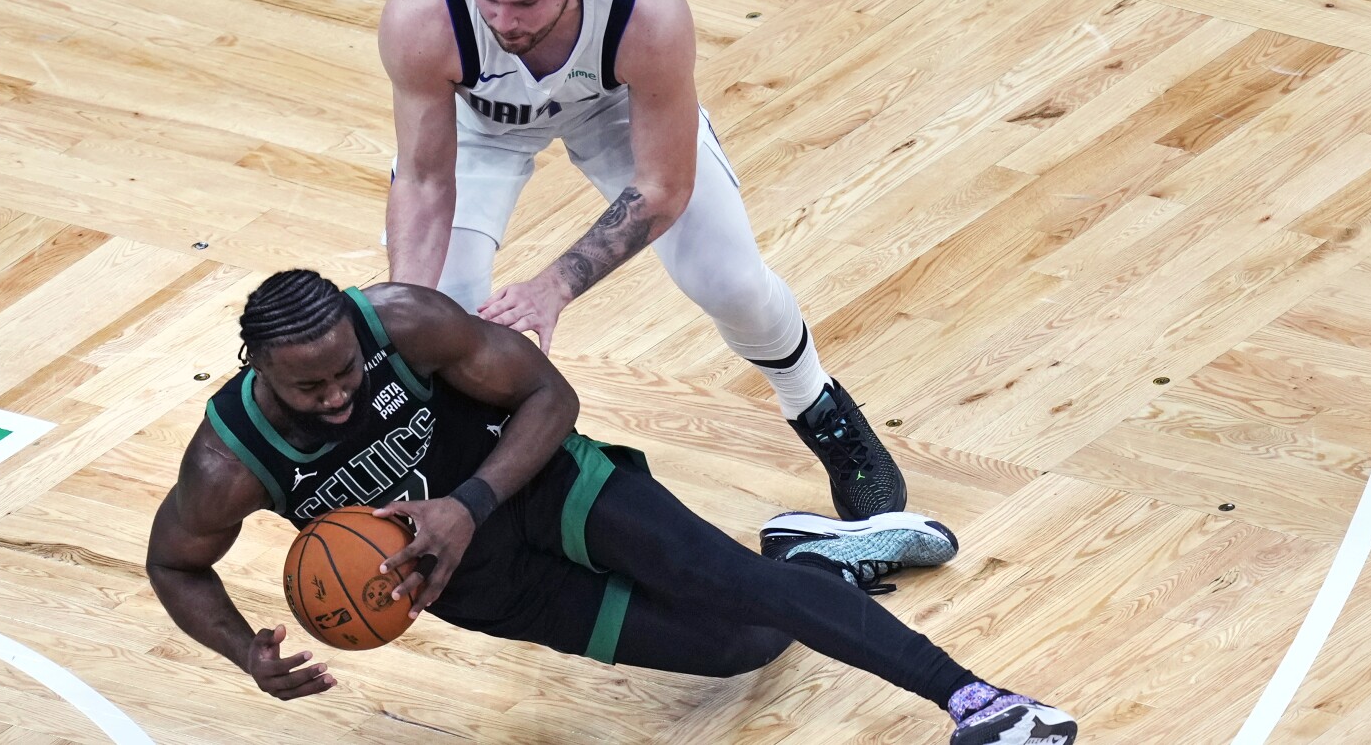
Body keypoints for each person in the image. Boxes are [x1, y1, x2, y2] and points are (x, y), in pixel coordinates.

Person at [145, 270, 1078, 745]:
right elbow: (175, 563)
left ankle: (981, 704)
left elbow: (550, 397)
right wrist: (244, 652)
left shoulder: (408, 320)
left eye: (349, 369)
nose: (340, 395)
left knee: (737, 585)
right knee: (740, 644)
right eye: (311, 388)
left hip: (551, 488)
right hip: (487, 591)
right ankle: (814, 557)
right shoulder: (229, 465)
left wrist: (469, 502)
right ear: (256, 370)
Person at [378, 0, 911, 523]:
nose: (504, 21)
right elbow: (425, 183)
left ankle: (819, 407)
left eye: (526, 4)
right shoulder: (424, 12)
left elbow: (663, 188)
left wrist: (553, 285)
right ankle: (481, 478)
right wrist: (408, 322)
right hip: (480, 118)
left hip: (616, 99)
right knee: (443, 313)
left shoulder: (646, 7)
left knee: (727, 281)